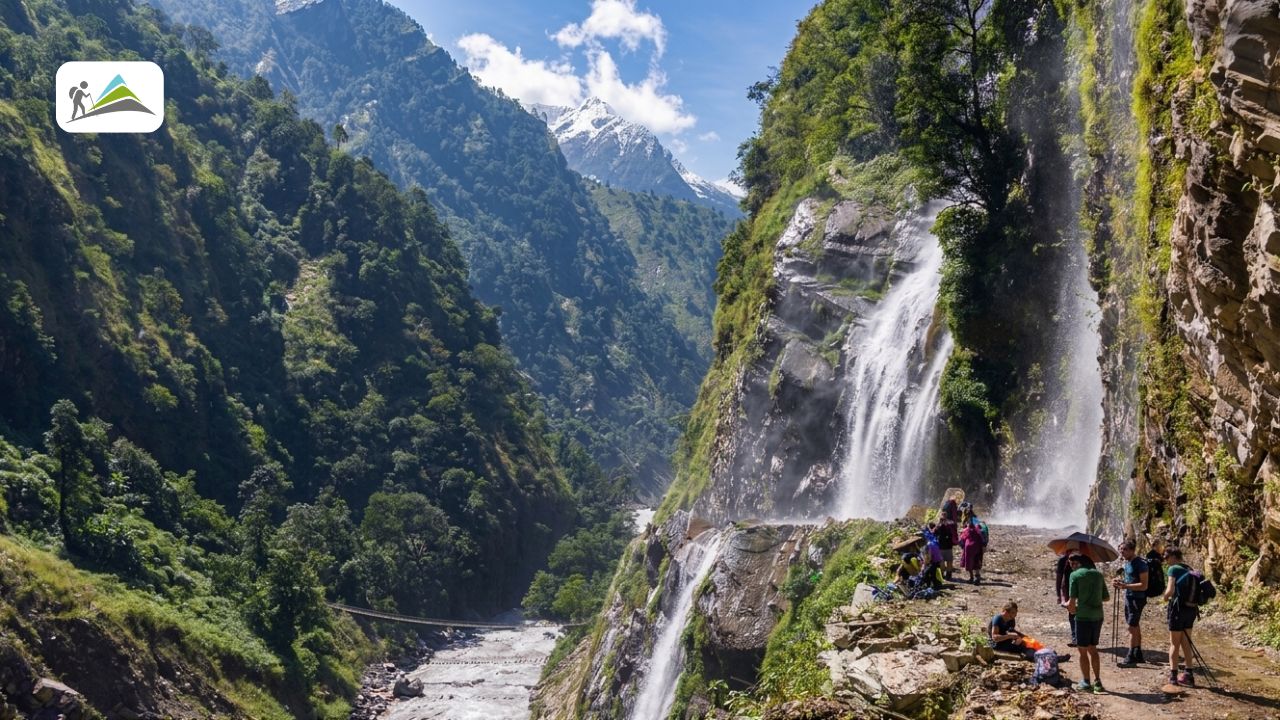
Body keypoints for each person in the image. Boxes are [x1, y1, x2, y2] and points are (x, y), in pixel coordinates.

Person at [1067, 553, 1109, 693]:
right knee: (1093, 649)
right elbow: (1106, 597)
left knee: (1082, 651)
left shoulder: (1075, 576)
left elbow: (1072, 604)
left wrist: (1071, 608)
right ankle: (1098, 682)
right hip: (1097, 617)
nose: (1072, 567)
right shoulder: (1098, 575)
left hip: (1083, 618)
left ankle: (1086, 682)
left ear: (1078, 563)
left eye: (1073, 564)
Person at [1163, 547, 1198, 687]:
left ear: (1173, 556)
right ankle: (1189, 675)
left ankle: (1173, 676)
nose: (1164, 560)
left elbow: (1170, 591)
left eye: (1166, 557)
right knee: (1186, 642)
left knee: (1174, 643)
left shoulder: (1173, 569)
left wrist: (1165, 597)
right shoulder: (1190, 568)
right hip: (1191, 609)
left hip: (1177, 610)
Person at [1112, 540, 1149, 667]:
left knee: (1131, 627)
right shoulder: (1128, 562)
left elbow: (1144, 585)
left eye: (1125, 549)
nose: (1122, 552)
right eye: (1121, 549)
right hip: (1129, 597)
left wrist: (1125, 586)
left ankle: (1130, 657)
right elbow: (1130, 580)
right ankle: (1138, 653)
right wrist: (1120, 582)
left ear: (1132, 550)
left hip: (1137, 599)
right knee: (1135, 626)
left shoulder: (1141, 564)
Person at [1055, 542, 1080, 647]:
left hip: (1080, 588)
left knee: (1078, 613)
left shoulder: (1082, 559)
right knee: (1072, 612)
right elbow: (1059, 578)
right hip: (1068, 589)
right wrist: (1058, 595)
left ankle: (1079, 637)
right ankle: (1076, 638)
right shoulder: (1063, 560)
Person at [959, 517, 985, 584]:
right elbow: (981, 539)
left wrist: (962, 546)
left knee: (969, 563)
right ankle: (977, 577)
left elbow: (962, 539)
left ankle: (971, 578)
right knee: (976, 562)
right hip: (977, 548)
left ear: (968, 524)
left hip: (969, 549)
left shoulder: (966, 530)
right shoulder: (977, 530)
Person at [936, 515, 959, 580]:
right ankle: (949, 575)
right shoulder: (950, 526)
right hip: (949, 546)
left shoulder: (938, 527)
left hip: (941, 547)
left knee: (941, 562)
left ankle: (942, 575)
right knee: (949, 561)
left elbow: (934, 533)